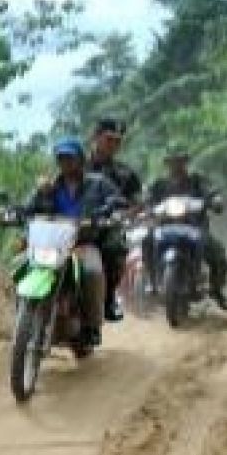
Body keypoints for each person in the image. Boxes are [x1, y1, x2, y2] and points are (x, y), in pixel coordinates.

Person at [26, 138, 122, 347]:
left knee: (92, 271)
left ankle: (91, 326)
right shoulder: (48, 186)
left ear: (80, 160)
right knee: (23, 265)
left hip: (83, 243)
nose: (66, 163)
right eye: (61, 158)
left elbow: (117, 200)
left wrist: (109, 209)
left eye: (70, 158)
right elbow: (30, 207)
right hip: (52, 245)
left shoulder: (98, 183)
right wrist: (16, 212)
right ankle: (25, 318)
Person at [146, 149, 227, 310]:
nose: (177, 165)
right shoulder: (159, 184)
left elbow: (212, 192)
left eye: (180, 161)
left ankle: (216, 289)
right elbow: (147, 198)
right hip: (165, 228)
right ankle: (152, 281)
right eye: (173, 161)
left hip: (195, 228)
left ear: (186, 162)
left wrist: (215, 200)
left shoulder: (198, 181)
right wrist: (146, 207)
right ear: (167, 164)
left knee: (217, 252)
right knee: (147, 240)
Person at [88, 118, 142, 322]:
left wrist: (126, 214)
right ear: (96, 137)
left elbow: (137, 202)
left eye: (118, 141)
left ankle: (109, 298)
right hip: (70, 226)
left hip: (105, 229)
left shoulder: (126, 174)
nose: (113, 145)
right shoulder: (75, 164)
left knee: (115, 249)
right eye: (109, 139)